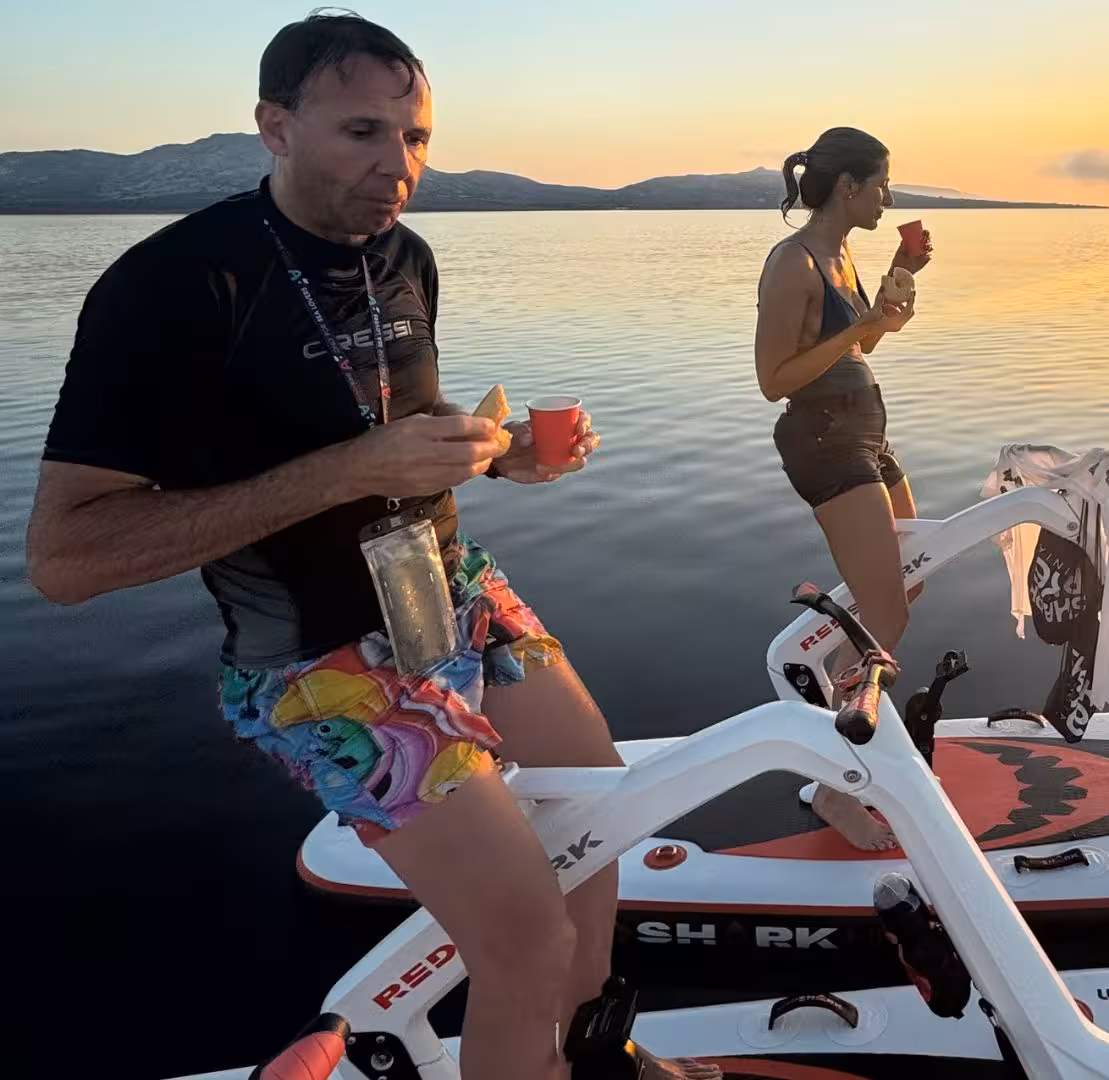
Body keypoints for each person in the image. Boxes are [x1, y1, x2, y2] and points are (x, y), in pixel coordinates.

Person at [23, 14, 714, 1080]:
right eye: (362, 132)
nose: (400, 166)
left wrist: (498, 457)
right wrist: (345, 473)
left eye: (417, 136)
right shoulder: (174, 286)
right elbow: (64, 560)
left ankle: (593, 1057)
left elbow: (389, 423)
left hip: (450, 589)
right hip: (317, 660)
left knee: (600, 817)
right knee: (524, 937)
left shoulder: (405, 257)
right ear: (276, 126)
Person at [753, 127, 933, 849]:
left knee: (910, 579)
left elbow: (858, 345)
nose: (889, 197)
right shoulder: (792, 262)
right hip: (824, 436)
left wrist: (889, 301)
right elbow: (773, 380)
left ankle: (829, 672)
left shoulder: (843, 254)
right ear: (849, 186)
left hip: (864, 426)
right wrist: (858, 325)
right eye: (882, 184)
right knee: (887, 609)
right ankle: (834, 782)